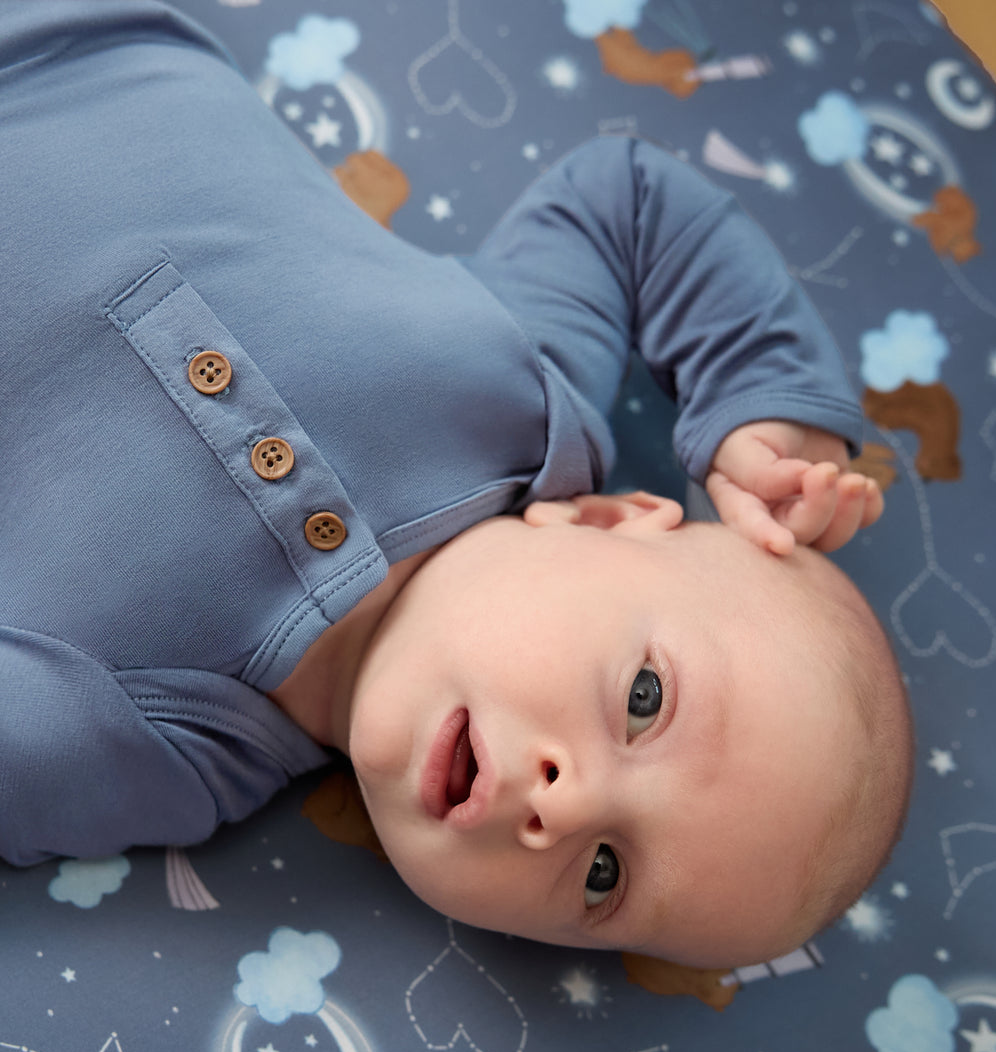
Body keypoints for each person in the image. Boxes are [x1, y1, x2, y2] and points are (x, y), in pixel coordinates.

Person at [0, 1, 912, 966]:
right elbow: (633, 203)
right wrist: (767, 406)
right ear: (605, 519)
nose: (567, 804)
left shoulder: (167, 746)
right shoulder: (528, 389)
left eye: (606, 874)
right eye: (647, 700)